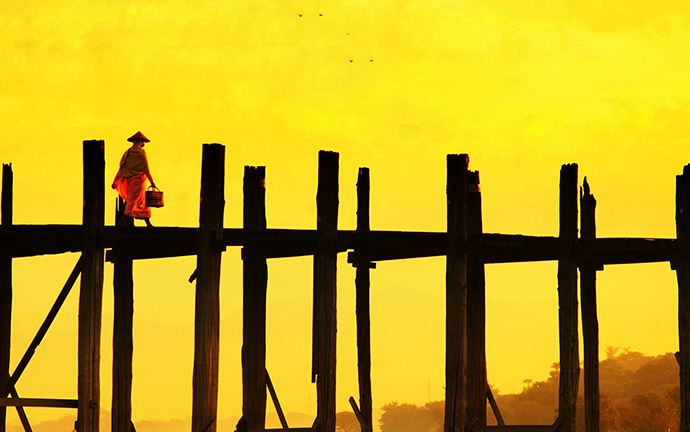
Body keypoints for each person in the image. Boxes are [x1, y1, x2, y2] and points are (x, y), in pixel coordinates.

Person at [112, 131, 157, 227]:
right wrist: (152, 181)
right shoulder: (141, 152)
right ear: (140, 141)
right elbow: (146, 169)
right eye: (142, 141)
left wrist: (115, 181)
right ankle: (123, 221)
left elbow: (121, 168)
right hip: (139, 181)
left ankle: (148, 223)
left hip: (130, 180)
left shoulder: (127, 153)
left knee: (142, 201)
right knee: (133, 201)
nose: (143, 143)